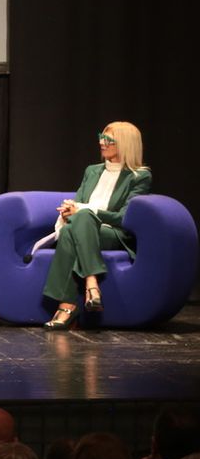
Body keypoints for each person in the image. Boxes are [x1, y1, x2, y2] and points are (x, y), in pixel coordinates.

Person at [41, 121, 152, 330]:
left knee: (81, 219)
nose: (102, 142)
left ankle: (69, 305)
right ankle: (89, 287)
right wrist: (69, 210)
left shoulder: (139, 176)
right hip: (81, 229)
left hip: (112, 233)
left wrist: (85, 211)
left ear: (126, 144)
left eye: (108, 139)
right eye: (101, 136)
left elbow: (123, 217)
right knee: (72, 227)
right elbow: (79, 202)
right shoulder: (91, 171)